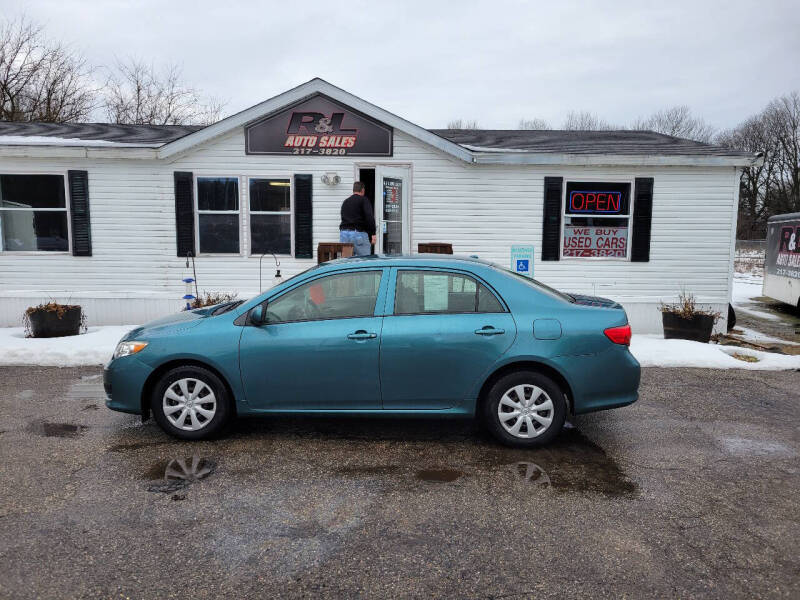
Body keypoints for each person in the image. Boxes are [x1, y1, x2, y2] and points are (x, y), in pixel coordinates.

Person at [339, 181, 376, 256]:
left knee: (346, 262)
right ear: (363, 190)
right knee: (363, 261)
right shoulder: (363, 200)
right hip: (358, 234)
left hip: (344, 235)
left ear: (353, 190)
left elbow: (343, 217)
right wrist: (373, 233)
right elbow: (369, 217)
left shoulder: (345, 202)